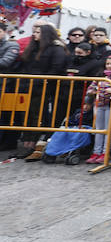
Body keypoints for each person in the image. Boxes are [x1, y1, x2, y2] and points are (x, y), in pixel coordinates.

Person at [19, 24, 68, 158]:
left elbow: (56, 69)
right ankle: (26, 142)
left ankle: (33, 144)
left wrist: (39, 80)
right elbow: (26, 65)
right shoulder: (33, 47)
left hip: (44, 86)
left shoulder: (56, 49)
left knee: (37, 115)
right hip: (29, 85)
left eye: (38, 32)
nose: (34, 34)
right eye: (34, 31)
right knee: (27, 114)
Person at [0, 19, 23, 150]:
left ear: (5, 32)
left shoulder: (11, 45)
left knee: (3, 115)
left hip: (4, 85)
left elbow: (5, 62)